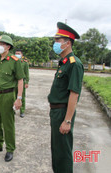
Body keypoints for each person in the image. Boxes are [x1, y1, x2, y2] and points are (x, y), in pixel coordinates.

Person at [48, 22, 84, 173]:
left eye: (58, 40)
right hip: (56, 112)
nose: (55, 43)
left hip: (63, 113)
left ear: (68, 43)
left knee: (63, 152)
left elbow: (74, 94)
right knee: (57, 150)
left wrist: (67, 120)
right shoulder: (63, 62)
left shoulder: (74, 64)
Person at [0, 35, 24, 162]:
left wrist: (19, 98)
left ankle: (10, 149)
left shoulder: (14, 61)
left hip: (8, 95)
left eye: (1, 44)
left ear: (8, 46)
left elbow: (20, 80)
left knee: (8, 123)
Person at [15, 49, 29, 118]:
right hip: (14, 82)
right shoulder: (13, 61)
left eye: (19, 53)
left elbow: (27, 73)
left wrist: (26, 82)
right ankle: (13, 110)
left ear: (22, 55)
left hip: (22, 82)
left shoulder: (24, 63)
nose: (17, 54)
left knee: (22, 97)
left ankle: (22, 111)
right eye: (16, 53)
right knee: (13, 96)